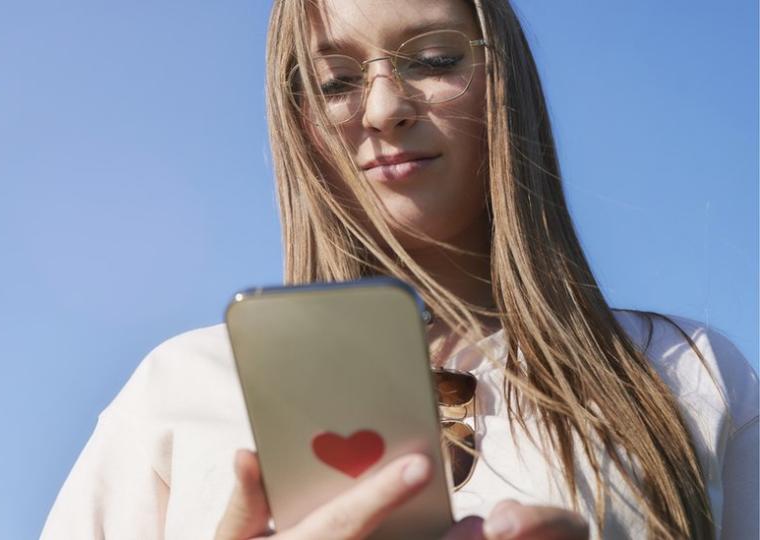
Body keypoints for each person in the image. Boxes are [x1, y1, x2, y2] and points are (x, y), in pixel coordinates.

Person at [39, 0, 759, 538]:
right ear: (299, 121)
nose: (383, 108)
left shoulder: (688, 372)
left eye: (434, 59)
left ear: (501, 78)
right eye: (335, 80)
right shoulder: (177, 392)